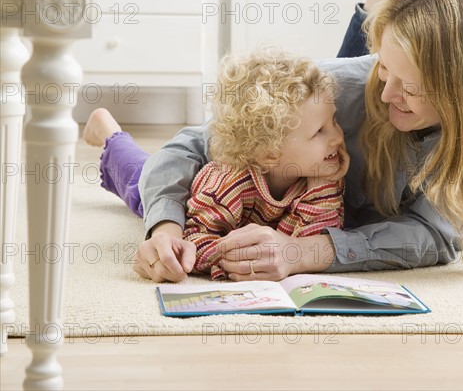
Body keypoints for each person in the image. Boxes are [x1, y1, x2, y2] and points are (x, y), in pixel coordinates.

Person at [112, 0, 463, 283]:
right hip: (317, 158)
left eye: (409, 87)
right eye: (384, 69)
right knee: (325, 98)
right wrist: (166, 230)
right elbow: (191, 145)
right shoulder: (354, 85)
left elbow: (438, 236)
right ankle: (383, 2)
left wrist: (306, 252)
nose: (386, 95)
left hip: (341, 202)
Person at [83, 50, 349, 280]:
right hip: (194, 200)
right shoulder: (226, 183)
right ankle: (107, 129)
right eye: (320, 132)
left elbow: (315, 235)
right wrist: (239, 259)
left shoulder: (321, 173)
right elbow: (193, 241)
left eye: (334, 121)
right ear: (270, 153)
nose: (338, 136)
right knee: (138, 183)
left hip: (245, 216)